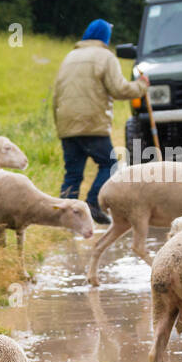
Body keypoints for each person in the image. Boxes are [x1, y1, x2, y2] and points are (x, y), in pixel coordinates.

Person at [51, 18, 148, 225]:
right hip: (92, 124)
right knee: (110, 163)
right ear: (105, 36)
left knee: (73, 173)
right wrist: (141, 86)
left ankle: (64, 216)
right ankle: (93, 204)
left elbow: (55, 96)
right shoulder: (105, 56)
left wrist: (60, 126)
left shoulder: (70, 57)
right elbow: (119, 89)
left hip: (67, 125)